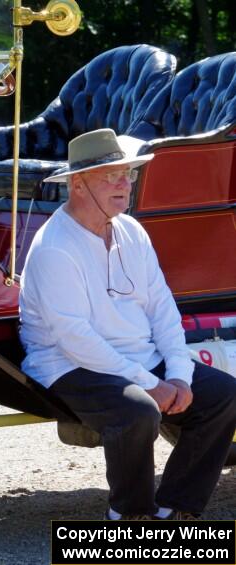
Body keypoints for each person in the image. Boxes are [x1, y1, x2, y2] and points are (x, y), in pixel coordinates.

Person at [19, 128, 236, 520]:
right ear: (78, 184)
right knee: (137, 412)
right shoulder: (55, 246)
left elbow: (162, 307)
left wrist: (180, 376)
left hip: (134, 358)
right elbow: (75, 338)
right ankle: (131, 517)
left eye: (128, 174)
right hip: (70, 365)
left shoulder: (131, 230)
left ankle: (175, 510)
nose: (125, 184)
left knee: (224, 396)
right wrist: (152, 384)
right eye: (111, 176)